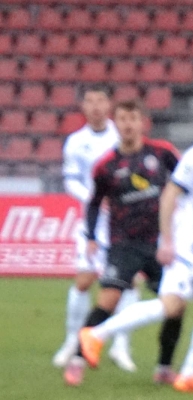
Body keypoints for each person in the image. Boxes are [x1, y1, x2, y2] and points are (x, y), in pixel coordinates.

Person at [78, 100, 193, 394]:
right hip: (184, 241)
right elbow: (170, 194)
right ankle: (97, 334)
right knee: (171, 305)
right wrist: (167, 241)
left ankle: (189, 375)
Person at [62, 99, 178, 388]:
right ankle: (77, 359)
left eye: (133, 118)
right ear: (117, 123)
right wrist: (91, 236)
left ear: (142, 122)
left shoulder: (162, 153)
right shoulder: (106, 166)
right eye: (123, 119)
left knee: (175, 305)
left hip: (158, 243)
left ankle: (164, 367)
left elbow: (184, 182)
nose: (128, 124)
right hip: (123, 243)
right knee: (108, 300)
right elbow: (94, 203)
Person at [52, 84, 137, 374]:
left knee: (128, 284)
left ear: (109, 104)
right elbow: (70, 180)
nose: (96, 106)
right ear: (83, 106)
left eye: (101, 100)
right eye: (90, 101)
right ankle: (71, 340)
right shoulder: (76, 142)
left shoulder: (120, 136)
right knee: (84, 281)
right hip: (92, 223)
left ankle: (121, 345)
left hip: (122, 223)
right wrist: (93, 198)